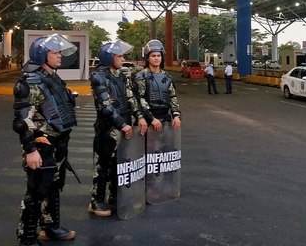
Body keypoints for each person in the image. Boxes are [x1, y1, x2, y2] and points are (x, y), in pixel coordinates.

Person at [12, 33, 78, 245]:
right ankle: (28, 238)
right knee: (36, 192)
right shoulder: (31, 83)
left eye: (59, 51)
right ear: (42, 55)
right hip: (41, 146)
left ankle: (50, 227)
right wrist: (30, 150)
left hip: (58, 144)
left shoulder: (52, 78)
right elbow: (22, 122)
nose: (60, 56)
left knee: (53, 188)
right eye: (55, 52)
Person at [88, 40, 148, 217]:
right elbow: (105, 107)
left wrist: (139, 116)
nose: (123, 58)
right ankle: (96, 200)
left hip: (124, 125)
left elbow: (130, 97)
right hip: (108, 128)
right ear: (109, 57)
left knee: (118, 163)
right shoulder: (99, 77)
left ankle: (114, 195)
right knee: (103, 165)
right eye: (119, 56)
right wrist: (122, 124)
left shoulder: (121, 75)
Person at [134, 39, 181, 133]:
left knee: (165, 147)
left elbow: (172, 97)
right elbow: (139, 99)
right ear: (148, 58)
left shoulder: (167, 77)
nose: (156, 58)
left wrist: (176, 115)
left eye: (159, 56)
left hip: (164, 119)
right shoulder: (141, 76)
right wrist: (151, 118)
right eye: (153, 56)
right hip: (147, 120)